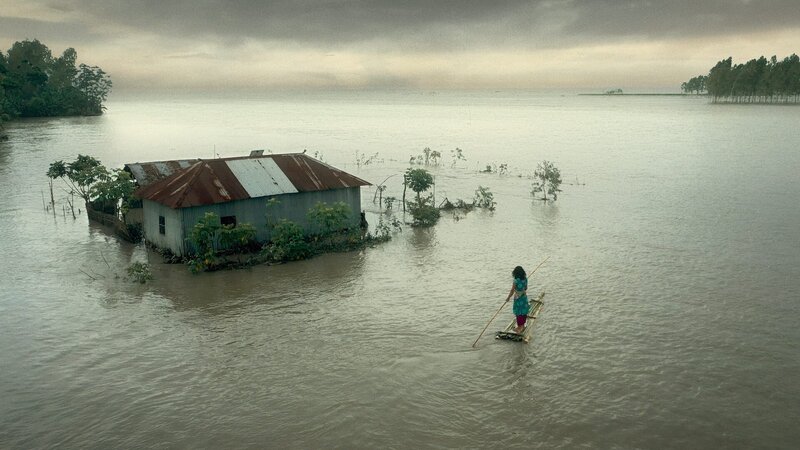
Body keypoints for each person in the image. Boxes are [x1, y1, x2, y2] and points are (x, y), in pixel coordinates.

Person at [505, 266, 529, 334]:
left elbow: (512, 290)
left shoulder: (516, 281)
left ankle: (519, 328)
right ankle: (522, 326)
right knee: (523, 311)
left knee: (518, 312)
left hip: (518, 298)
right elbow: (526, 288)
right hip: (524, 297)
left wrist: (508, 298)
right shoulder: (525, 279)